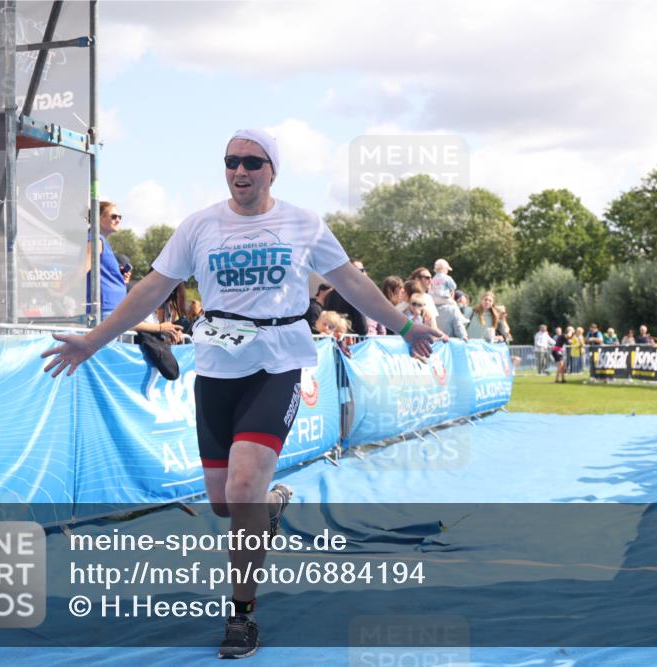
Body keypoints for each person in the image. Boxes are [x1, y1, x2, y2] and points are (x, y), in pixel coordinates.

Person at [42, 129, 443, 659]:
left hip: (277, 363)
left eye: (252, 162)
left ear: (272, 169)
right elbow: (150, 291)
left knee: (245, 482)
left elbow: (353, 283)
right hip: (216, 368)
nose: (240, 170)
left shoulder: (302, 223)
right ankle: (269, 506)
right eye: (231, 161)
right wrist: (93, 341)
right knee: (226, 503)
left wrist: (405, 326)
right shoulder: (199, 226)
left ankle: (241, 614)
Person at [86, 201, 129, 320]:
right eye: (114, 216)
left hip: (111, 308)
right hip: (104, 310)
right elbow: (83, 269)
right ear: (99, 218)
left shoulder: (101, 241)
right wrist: (61, 291)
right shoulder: (95, 240)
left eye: (120, 217)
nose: (118, 220)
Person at [324, 259, 369, 336]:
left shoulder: (331, 294)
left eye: (362, 270)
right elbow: (363, 329)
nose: (362, 273)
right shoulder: (355, 294)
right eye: (358, 270)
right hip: (351, 342)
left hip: (335, 341)